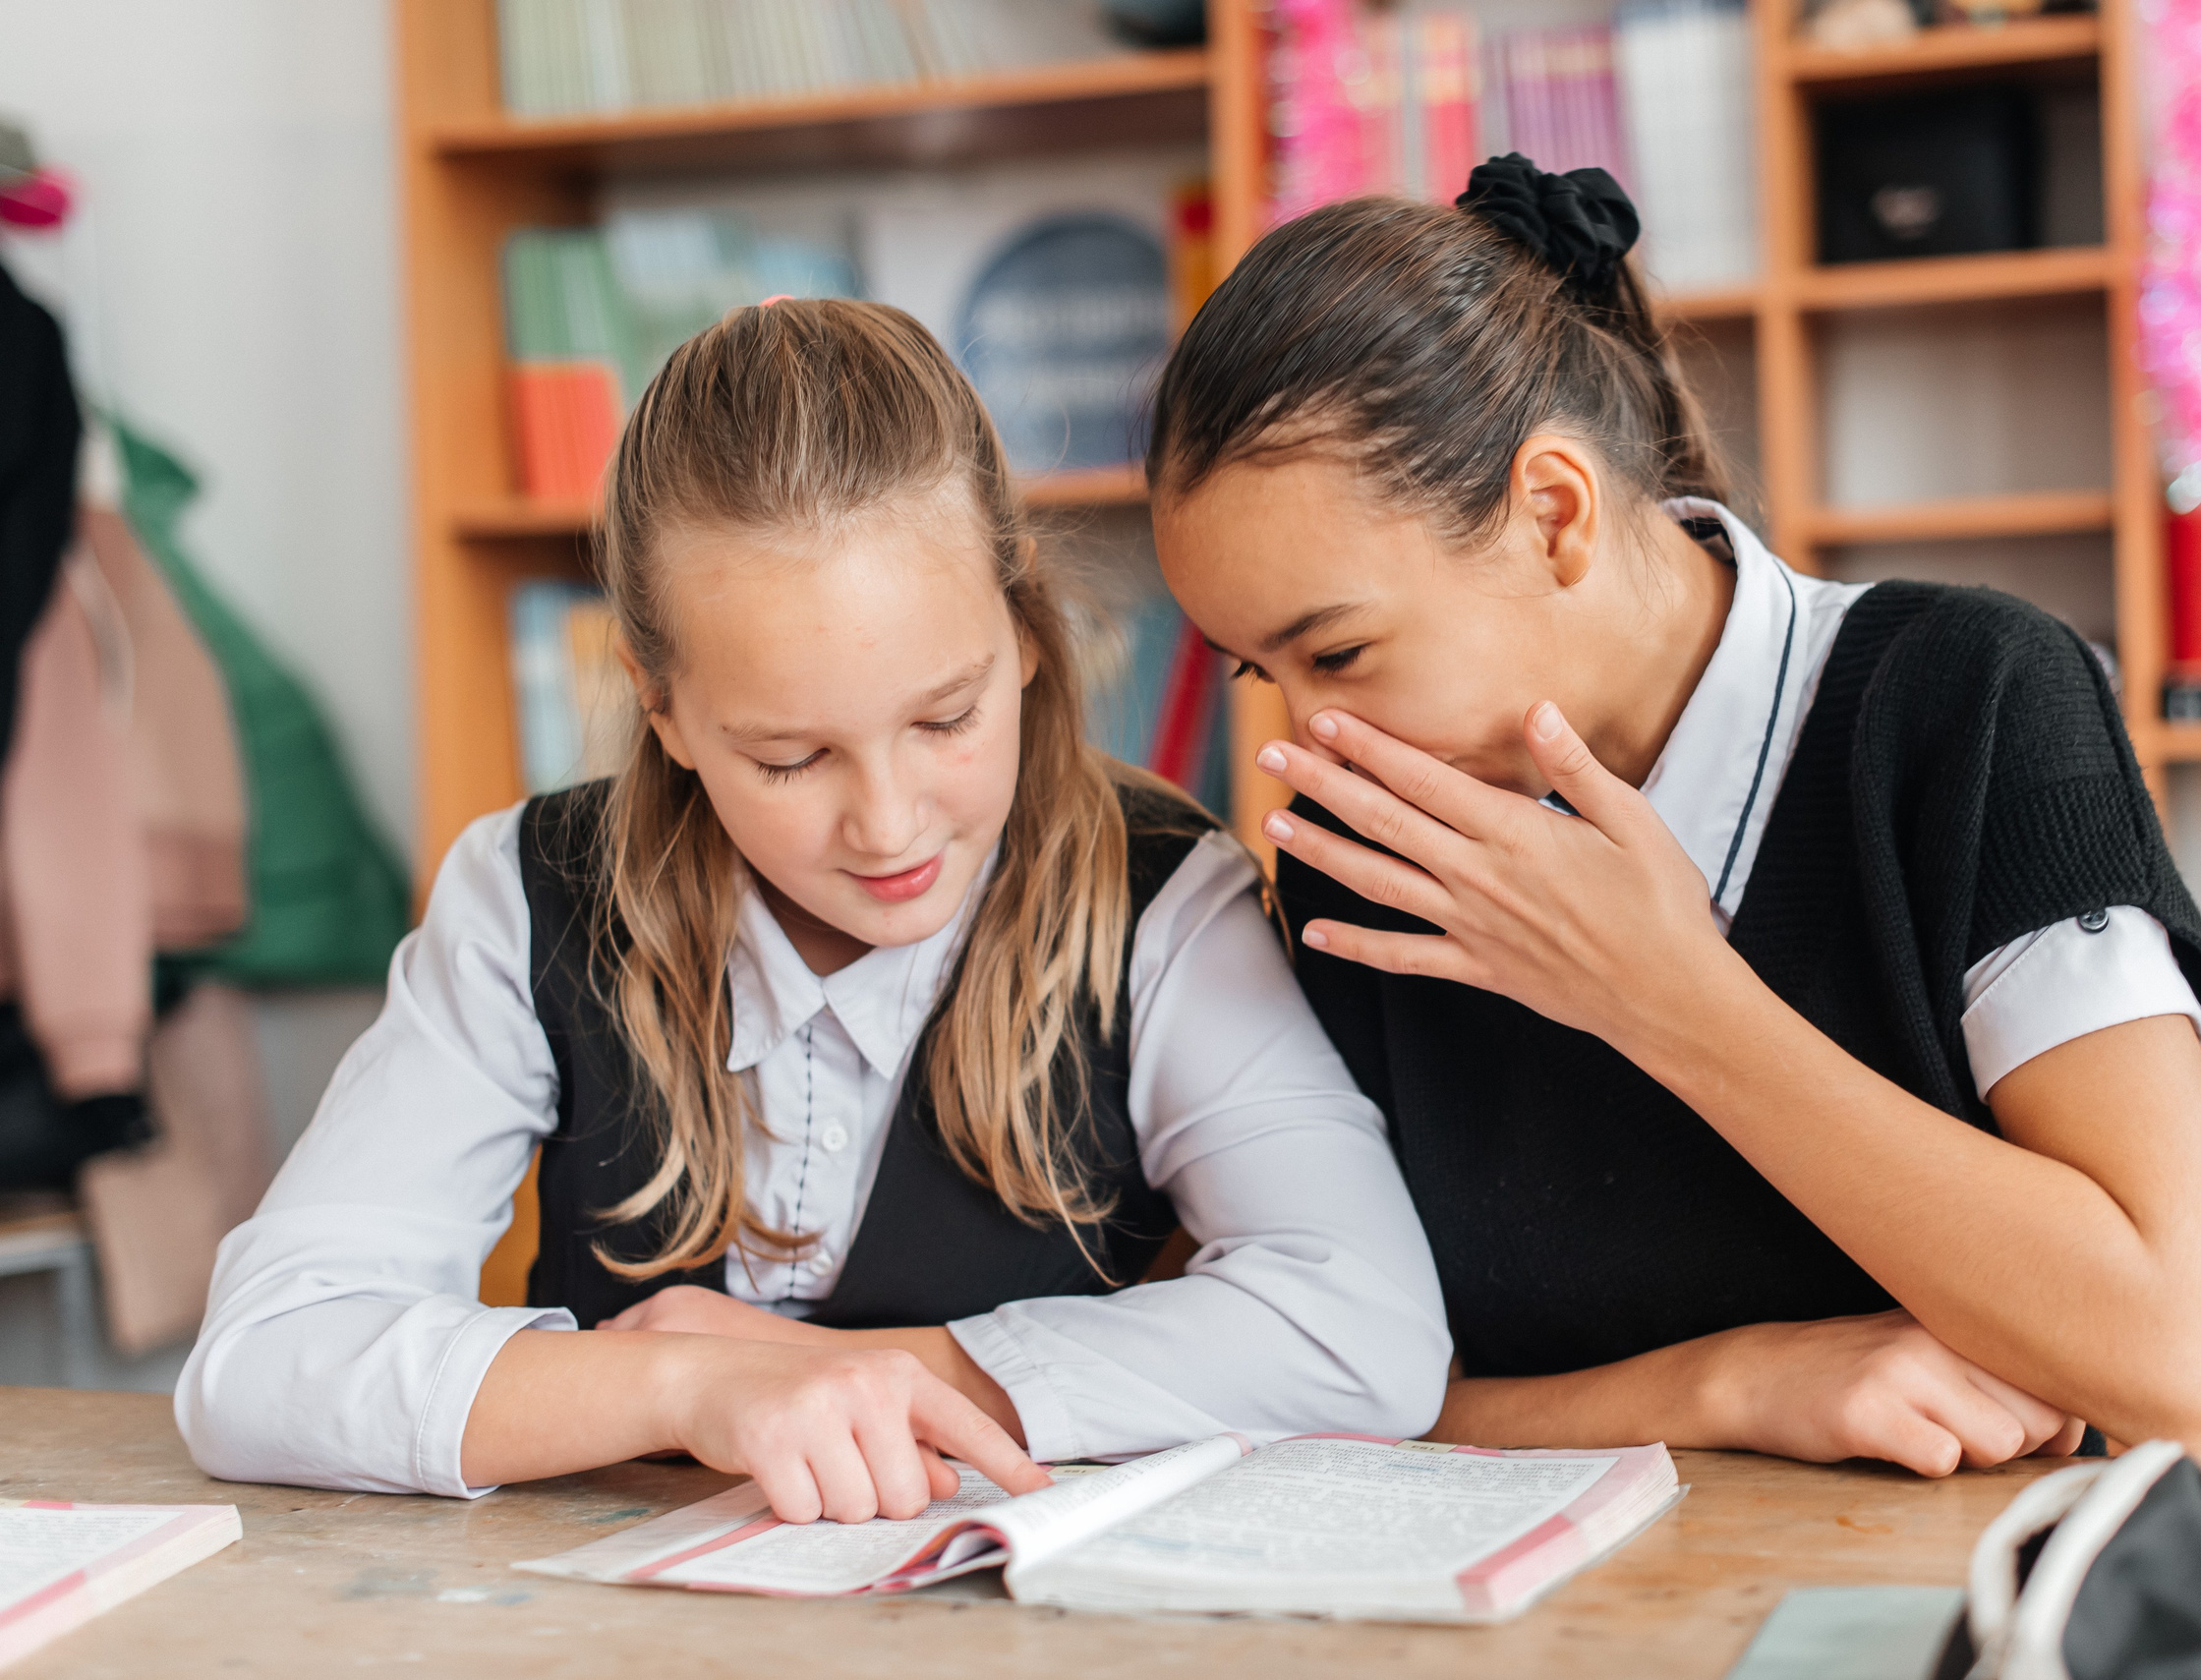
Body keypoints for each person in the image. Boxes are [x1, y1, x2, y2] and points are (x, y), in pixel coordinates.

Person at [178, 300, 1449, 1521]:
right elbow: (260, 1361)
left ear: (1024, 630)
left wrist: (871, 1374)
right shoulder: (523, 895)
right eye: (791, 759)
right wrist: (686, 1384)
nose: (889, 824)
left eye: (945, 719)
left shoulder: (1165, 899)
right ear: (662, 705)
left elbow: (1368, 1331)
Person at [1144, 155, 2201, 1478]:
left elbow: (2180, 1365)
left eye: (1336, 655)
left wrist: (1671, 1000)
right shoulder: (1365, 863)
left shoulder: (1969, 705)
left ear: (1551, 514)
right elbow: (1320, 1382)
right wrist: (1729, 1385)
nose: (1302, 741)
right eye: (1259, 674)